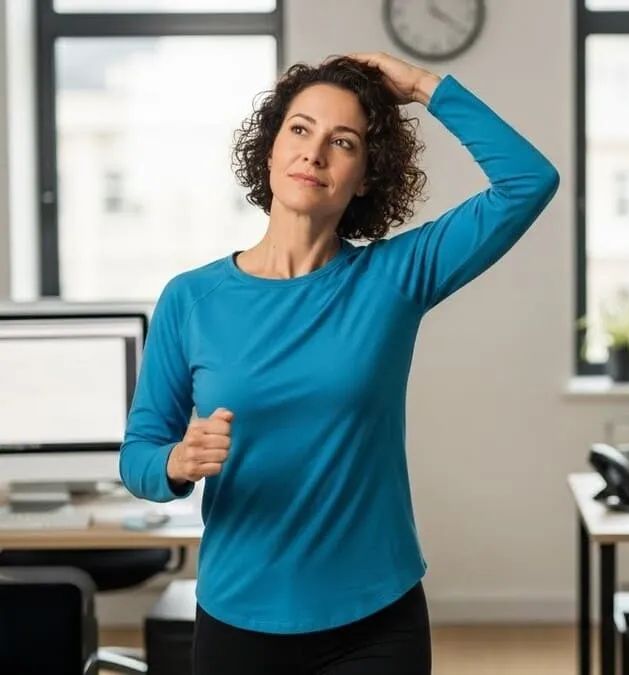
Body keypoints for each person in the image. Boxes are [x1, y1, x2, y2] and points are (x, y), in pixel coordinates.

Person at [118, 51, 559, 674]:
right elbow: (138, 454)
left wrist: (424, 87)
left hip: (376, 621)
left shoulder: (394, 277)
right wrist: (177, 461)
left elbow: (527, 181)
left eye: (343, 141)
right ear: (269, 149)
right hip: (239, 616)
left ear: (367, 175)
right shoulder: (191, 299)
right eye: (299, 129)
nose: (314, 153)